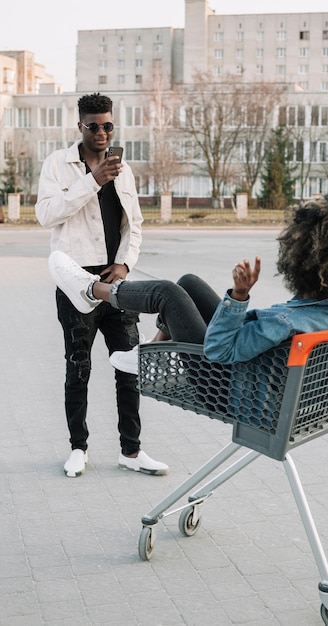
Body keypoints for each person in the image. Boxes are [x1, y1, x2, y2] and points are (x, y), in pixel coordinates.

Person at [47, 197, 328, 373]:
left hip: (223, 381)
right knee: (190, 283)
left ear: (305, 266)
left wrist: (239, 298)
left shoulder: (283, 323)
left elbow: (220, 351)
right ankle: (149, 353)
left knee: (168, 292)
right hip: (252, 374)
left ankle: (92, 290)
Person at [36, 92, 168, 478]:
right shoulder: (59, 165)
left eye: (108, 126)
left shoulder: (123, 170)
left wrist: (125, 264)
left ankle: (132, 451)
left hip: (117, 281)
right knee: (78, 367)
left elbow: (135, 226)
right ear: (81, 126)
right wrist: (92, 181)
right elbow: (46, 214)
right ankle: (78, 448)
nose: (102, 133)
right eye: (94, 126)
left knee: (129, 366)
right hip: (77, 280)